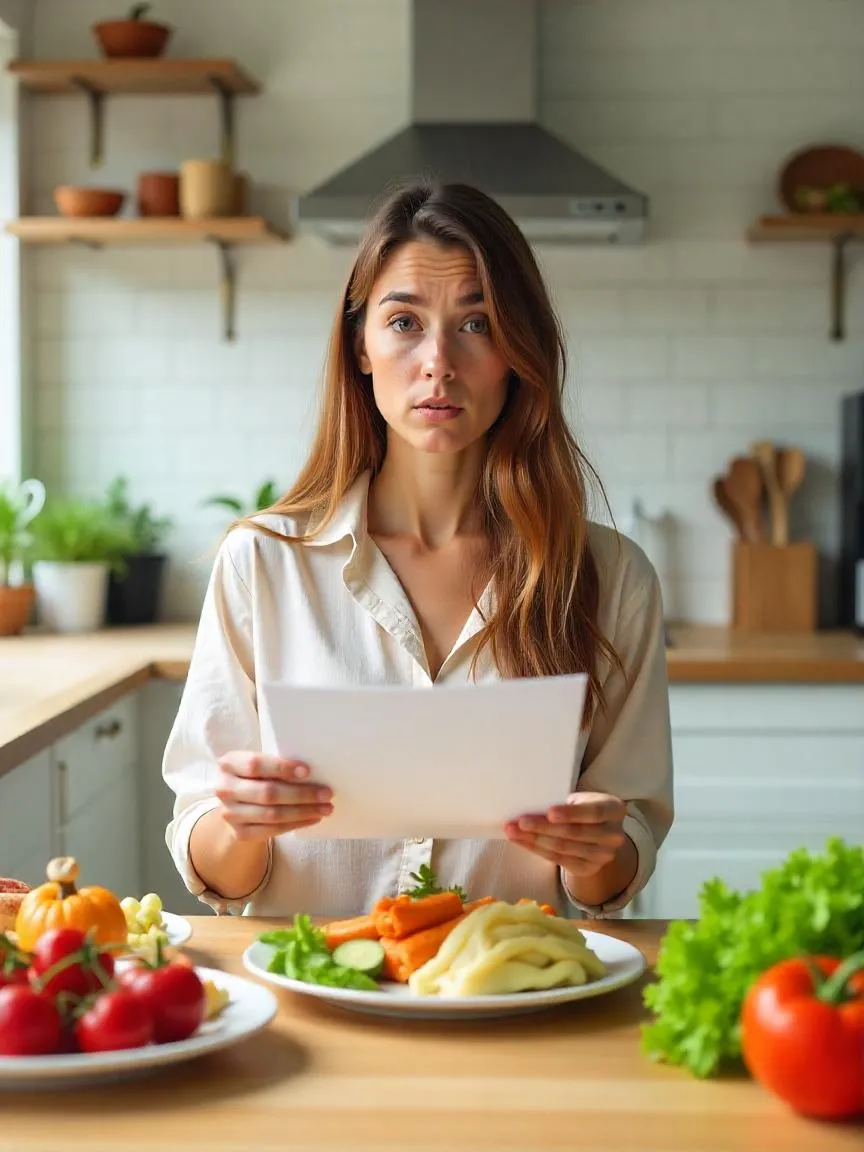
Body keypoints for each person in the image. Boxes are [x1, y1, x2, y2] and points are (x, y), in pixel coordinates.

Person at [163, 180, 673, 921]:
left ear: (518, 354)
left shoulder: (612, 577)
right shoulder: (262, 564)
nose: (438, 361)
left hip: (514, 1006)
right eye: (404, 321)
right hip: (314, 1000)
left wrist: (597, 852)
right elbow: (208, 856)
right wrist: (241, 825)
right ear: (360, 347)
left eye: (478, 324)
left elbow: (621, 862)